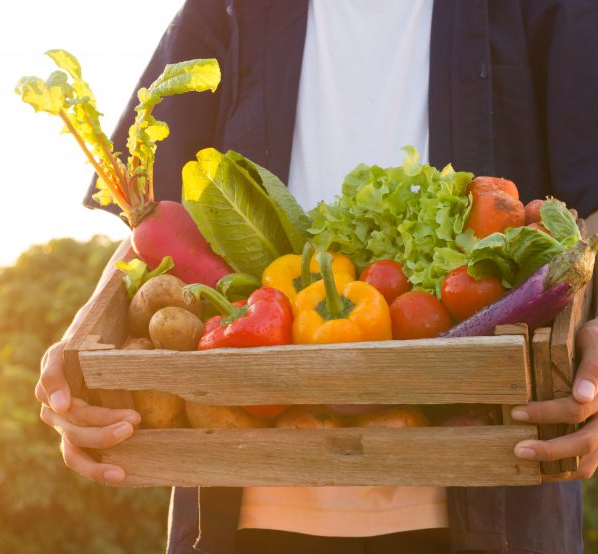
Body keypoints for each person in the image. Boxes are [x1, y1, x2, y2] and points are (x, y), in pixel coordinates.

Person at [35, 1, 598, 552]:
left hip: (491, 500)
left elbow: (588, 209)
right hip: (247, 508)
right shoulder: (227, 9)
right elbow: (156, 223)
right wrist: (83, 337)